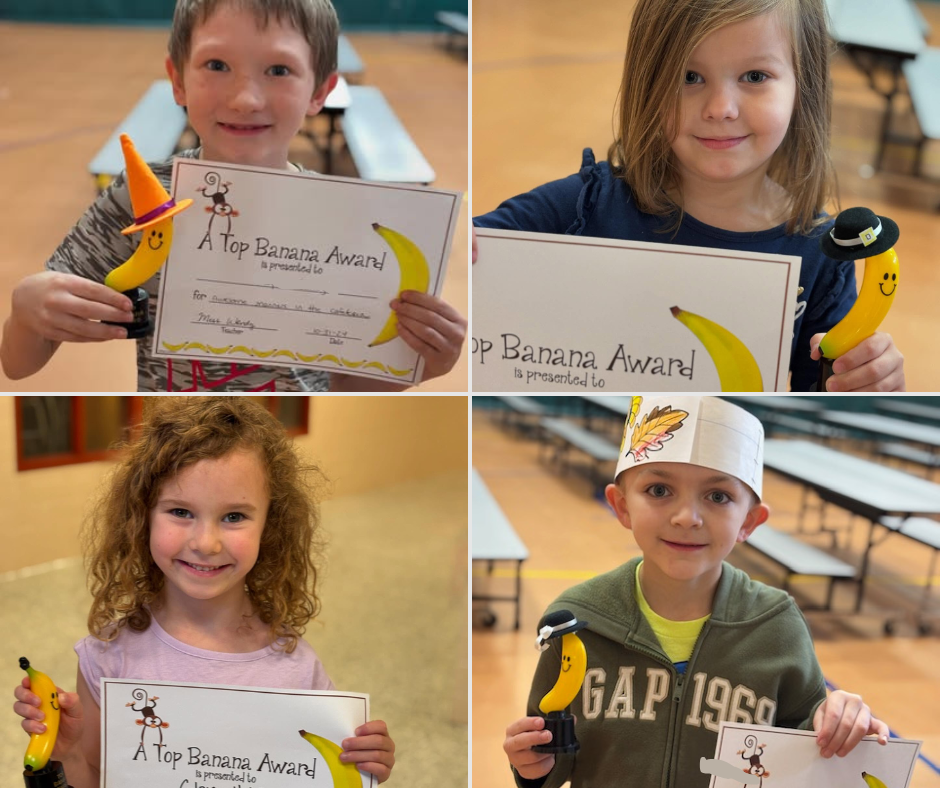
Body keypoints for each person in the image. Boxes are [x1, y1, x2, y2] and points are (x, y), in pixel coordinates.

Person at [0, 0, 466, 391]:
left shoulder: (348, 225)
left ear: (320, 91)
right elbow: (18, 364)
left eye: (279, 69)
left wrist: (420, 364)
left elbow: (341, 387)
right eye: (217, 65)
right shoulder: (141, 199)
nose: (246, 98)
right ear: (178, 79)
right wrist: (26, 310)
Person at [472, 0, 904, 392]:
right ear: (648, 84)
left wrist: (868, 381)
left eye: (755, 76)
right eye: (689, 77)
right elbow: (465, 255)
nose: (720, 107)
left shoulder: (824, 254)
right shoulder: (579, 209)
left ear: (802, 87)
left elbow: (820, 392)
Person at [503, 396, 889, 788]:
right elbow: (550, 760)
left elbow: (807, 750)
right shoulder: (574, 623)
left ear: (749, 522)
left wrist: (840, 720)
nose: (687, 517)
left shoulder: (777, 627)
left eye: (718, 496)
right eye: (658, 490)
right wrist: (531, 765)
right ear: (621, 506)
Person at [13, 397, 396, 788]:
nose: (206, 543)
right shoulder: (108, 659)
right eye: (180, 512)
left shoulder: (296, 669)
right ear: (141, 515)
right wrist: (69, 753)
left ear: (271, 525)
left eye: (234, 516)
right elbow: (94, 778)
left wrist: (365, 765)